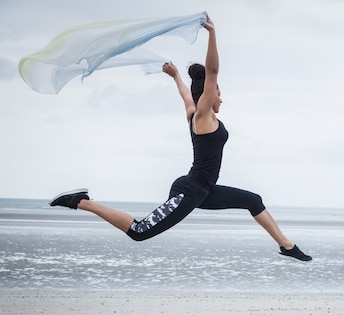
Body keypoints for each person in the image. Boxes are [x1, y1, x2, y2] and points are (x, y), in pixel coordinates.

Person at [49, 14, 312, 262]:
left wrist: (176, 76)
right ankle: (81, 201)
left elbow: (187, 96)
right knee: (140, 231)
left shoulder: (193, 112)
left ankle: (286, 246)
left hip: (205, 190)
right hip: (190, 190)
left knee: (252, 200)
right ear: (209, 96)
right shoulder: (203, 116)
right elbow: (212, 72)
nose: (221, 98)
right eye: (218, 94)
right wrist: (212, 34)